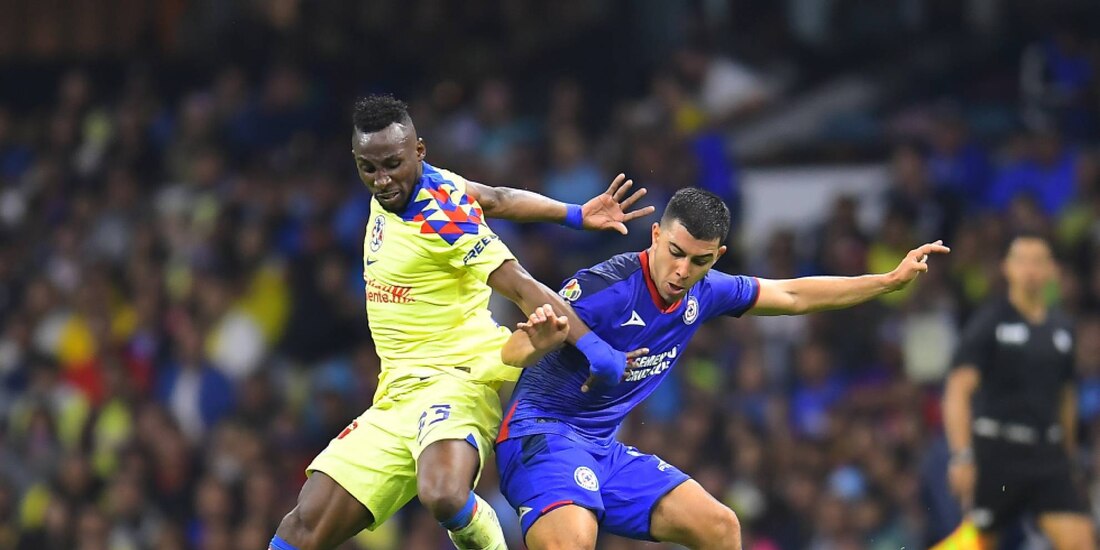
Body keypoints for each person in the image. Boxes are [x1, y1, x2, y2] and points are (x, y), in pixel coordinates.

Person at [269, 94, 653, 550]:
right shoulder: (414, 188)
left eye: (392, 163)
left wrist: (598, 351)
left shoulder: (442, 215)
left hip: (458, 380)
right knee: (300, 529)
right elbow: (496, 198)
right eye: (368, 168)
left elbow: (521, 286)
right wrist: (572, 214)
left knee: (444, 494)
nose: (382, 180)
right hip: (396, 394)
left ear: (420, 151)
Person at [495, 187, 950, 550]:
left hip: (601, 449)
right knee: (574, 542)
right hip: (541, 437)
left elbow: (793, 295)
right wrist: (535, 341)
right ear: (655, 235)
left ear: (718, 255)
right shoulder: (605, 287)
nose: (682, 270)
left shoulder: (706, 291)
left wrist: (888, 281)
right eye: (675, 251)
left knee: (720, 527)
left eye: (700, 260)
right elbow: (513, 353)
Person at [943, 234, 1095, 550]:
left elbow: (1065, 396)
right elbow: (958, 390)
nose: (1030, 269)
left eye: (1038, 261)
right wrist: (961, 455)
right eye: (1022, 260)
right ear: (1007, 268)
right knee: (977, 542)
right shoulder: (990, 321)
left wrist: (1066, 456)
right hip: (997, 453)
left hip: (1046, 455)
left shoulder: (1062, 328)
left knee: (1081, 541)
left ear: (1052, 270)